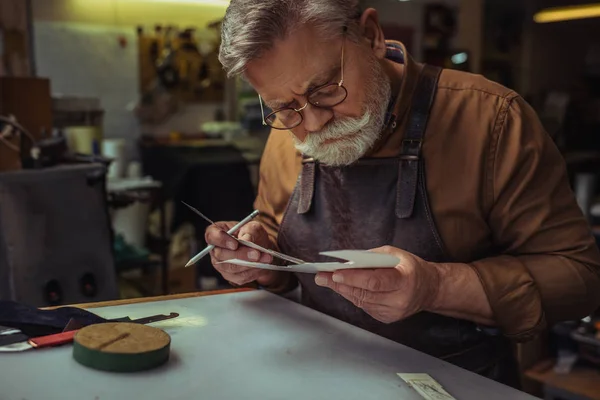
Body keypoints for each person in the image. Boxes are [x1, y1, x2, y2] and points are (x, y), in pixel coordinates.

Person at [205, 0, 600, 386]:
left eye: (326, 89)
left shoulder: (492, 120)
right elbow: (284, 257)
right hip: (319, 376)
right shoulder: (288, 137)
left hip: (459, 383)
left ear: (371, 35)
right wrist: (261, 258)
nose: (314, 123)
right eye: (285, 108)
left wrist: (437, 286)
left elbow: (580, 280)